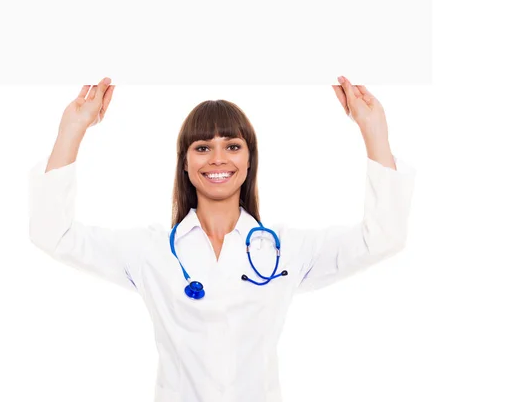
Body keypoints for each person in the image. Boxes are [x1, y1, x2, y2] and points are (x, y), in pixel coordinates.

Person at [28, 76, 416, 401]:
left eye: (232, 146)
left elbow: (383, 237)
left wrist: (373, 129)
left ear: (249, 160)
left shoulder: (284, 250)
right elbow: (53, 234)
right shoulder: (151, 252)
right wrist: (72, 130)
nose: (217, 159)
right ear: (185, 161)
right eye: (202, 148)